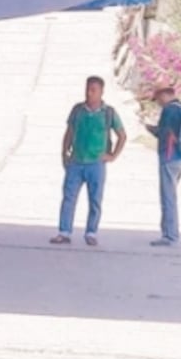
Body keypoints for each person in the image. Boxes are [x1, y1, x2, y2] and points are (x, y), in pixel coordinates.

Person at [50, 76, 126, 246]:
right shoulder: (78, 110)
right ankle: (64, 231)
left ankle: (91, 232)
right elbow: (69, 131)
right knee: (69, 197)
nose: (89, 93)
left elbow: (122, 135)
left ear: (101, 92)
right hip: (76, 161)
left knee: (95, 200)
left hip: (96, 163)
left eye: (94, 90)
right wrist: (64, 152)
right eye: (88, 89)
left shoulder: (108, 113)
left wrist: (113, 155)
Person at [145, 85, 181, 246]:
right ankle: (169, 233)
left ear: (163, 95)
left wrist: (150, 129)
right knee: (171, 196)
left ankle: (169, 235)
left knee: (168, 198)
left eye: (157, 99)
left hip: (169, 157)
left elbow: (164, 133)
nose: (158, 103)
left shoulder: (169, 111)